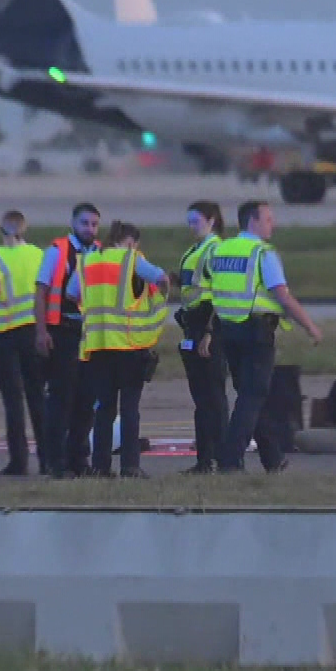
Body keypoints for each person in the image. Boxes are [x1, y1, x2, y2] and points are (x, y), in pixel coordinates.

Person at [210, 200, 322, 474]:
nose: (274, 224)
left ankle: (272, 457)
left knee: (251, 395)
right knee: (252, 396)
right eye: (269, 219)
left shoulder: (221, 250)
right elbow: (282, 296)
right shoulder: (262, 253)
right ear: (253, 221)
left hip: (228, 329)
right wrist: (309, 326)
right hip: (256, 331)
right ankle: (230, 459)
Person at [72, 221, 169, 477]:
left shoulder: (87, 261)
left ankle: (100, 466)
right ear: (130, 242)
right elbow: (161, 277)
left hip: (98, 345)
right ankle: (130, 466)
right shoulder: (131, 259)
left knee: (104, 409)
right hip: (128, 344)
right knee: (129, 409)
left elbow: (72, 293)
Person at [33, 203, 101, 478]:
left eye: (94, 224)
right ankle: (55, 460)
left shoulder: (99, 252)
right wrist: (41, 331)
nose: (90, 229)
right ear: (73, 223)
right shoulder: (57, 251)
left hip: (89, 335)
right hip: (62, 331)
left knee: (86, 400)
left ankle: (78, 458)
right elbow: (41, 291)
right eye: (85, 223)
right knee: (61, 400)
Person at [0, 210, 47, 476]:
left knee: (12, 400)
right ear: (24, 229)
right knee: (37, 396)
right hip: (33, 330)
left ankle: (18, 461)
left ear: (1, 230)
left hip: (3, 335)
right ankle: (48, 457)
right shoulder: (38, 255)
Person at [176, 200, 230, 475]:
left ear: (211, 220)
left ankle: (221, 457)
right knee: (201, 398)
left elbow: (220, 295)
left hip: (209, 325)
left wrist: (210, 332)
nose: (191, 227)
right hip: (192, 325)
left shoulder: (215, 250)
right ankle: (204, 459)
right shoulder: (195, 250)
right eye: (189, 222)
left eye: (195, 221)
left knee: (214, 396)